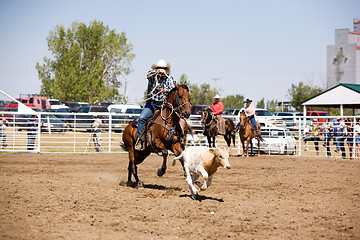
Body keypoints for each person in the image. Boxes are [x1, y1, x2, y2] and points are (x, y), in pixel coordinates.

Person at [135, 59, 176, 150]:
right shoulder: (153, 77)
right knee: (142, 118)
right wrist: (156, 72)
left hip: (163, 105)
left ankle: (178, 139)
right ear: (156, 69)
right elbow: (148, 75)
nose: (162, 70)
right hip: (151, 104)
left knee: (176, 118)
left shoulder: (169, 79)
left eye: (163, 68)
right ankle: (140, 140)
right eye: (159, 68)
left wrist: (167, 90)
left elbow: (173, 87)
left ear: (166, 70)